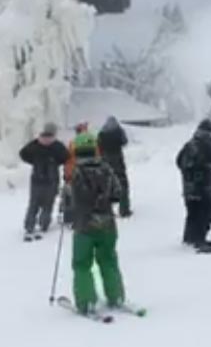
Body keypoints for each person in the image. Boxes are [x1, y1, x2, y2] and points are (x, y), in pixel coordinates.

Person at [68, 132, 126, 314]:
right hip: (108, 224)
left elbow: (71, 203)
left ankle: (86, 301)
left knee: (82, 264)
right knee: (108, 260)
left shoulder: (76, 174)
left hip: (84, 227)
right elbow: (118, 193)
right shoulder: (107, 169)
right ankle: (115, 296)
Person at [175, 119, 211, 254]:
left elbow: (178, 161)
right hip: (204, 187)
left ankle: (189, 238)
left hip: (188, 188)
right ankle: (200, 240)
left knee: (192, 213)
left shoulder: (189, 144)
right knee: (205, 213)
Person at [19, 122, 70, 240]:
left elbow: (23, 153)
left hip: (37, 179)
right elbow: (66, 156)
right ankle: (44, 224)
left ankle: (29, 225)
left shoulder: (36, 144)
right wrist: (57, 162)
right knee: (48, 204)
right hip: (51, 179)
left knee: (33, 204)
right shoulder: (57, 145)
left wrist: (33, 161)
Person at [98, 116, 132, 217]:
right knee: (123, 184)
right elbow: (125, 142)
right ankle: (124, 209)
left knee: (106, 186)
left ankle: (107, 210)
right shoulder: (119, 131)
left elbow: (98, 146)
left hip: (104, 162)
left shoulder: (101, 133)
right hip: (117, 161)